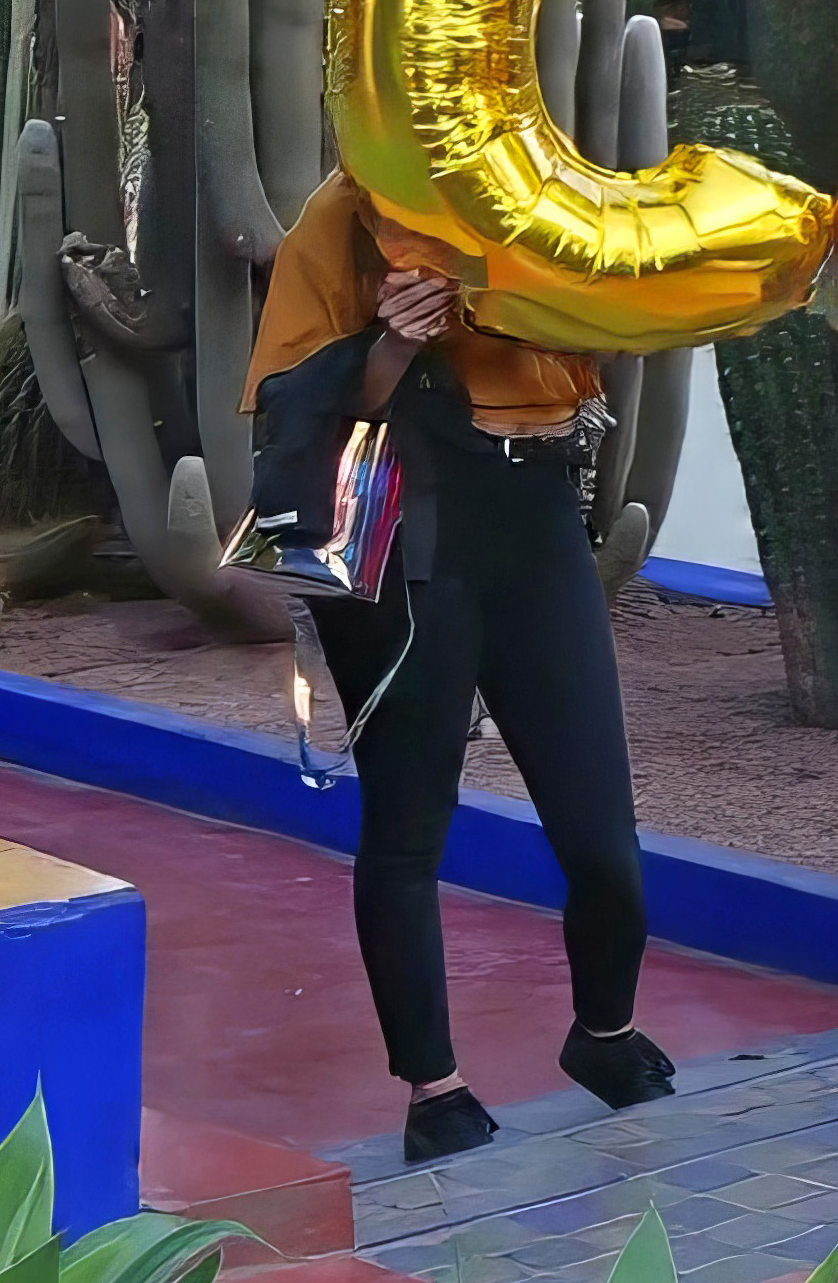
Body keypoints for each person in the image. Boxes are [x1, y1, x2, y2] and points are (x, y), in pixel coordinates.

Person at [246, 173, 676, 1164]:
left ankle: (603, 1031)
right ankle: (432, 1083)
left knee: (601, 827)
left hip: (537, 516)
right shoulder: (345, 215)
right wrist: (393, 339)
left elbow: (602, 330)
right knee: (407, 819)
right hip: (409, 521)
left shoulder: (532, 178)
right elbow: (292, 404)